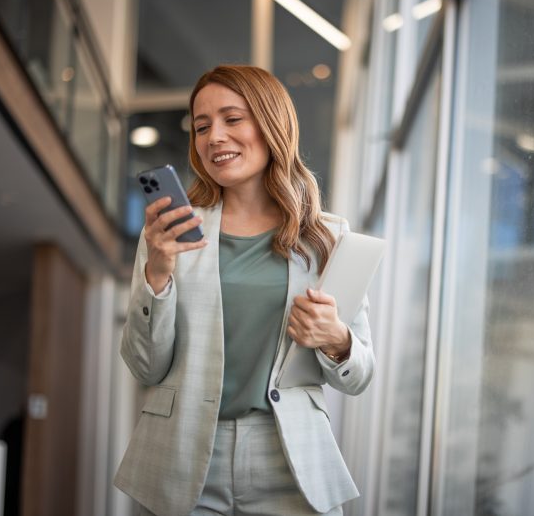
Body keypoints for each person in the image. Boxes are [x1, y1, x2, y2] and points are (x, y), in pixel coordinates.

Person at [113, 65, 375, 516]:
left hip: (291, 459)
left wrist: (336, 339)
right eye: (201, 126)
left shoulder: (327, 239)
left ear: (271, 124)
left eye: (232, 119)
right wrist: (158, 272)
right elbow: (145, 367)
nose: (214, 136)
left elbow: (361, 375)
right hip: (185, 456)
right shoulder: (170, 234)